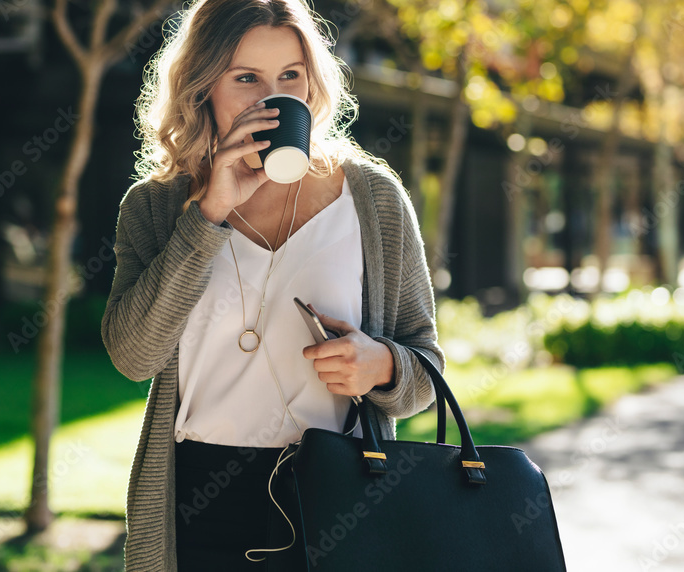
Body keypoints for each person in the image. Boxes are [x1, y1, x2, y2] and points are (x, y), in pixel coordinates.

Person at [100, 0, 444, 569]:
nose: (270, 98)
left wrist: (380, 364)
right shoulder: (157, 205)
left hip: (338, 491)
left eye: (290, 76)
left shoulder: (373, 198)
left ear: (312, 85)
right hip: (198, 502)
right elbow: (134, 356)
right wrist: (208, 213)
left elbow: (425, 369)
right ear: (203, 84)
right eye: (246, 78)